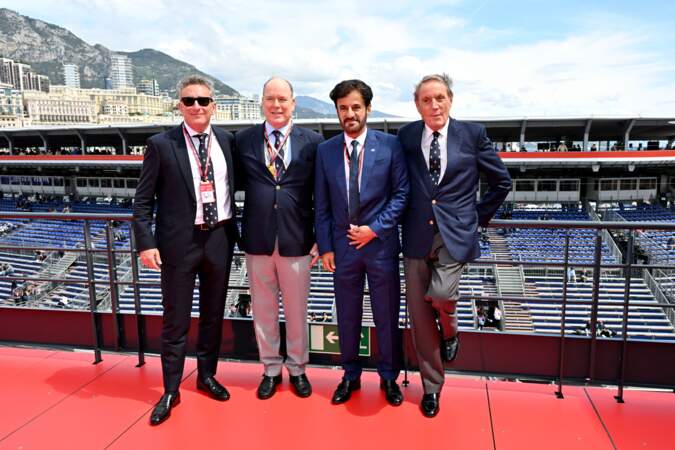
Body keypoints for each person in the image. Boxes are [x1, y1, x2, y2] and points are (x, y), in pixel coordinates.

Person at [398, 73, 511, 417]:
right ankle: (432, 388)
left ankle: (451, 331)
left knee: (444, 295)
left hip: (454, 234)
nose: (434, 105)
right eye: (426, 100)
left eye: (440, 98)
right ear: (417, 105)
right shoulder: (405, 136)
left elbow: (501, 182)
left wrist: (476, 218)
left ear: (451, 99)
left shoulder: (473, 134)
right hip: (416, 234)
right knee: (419, 316)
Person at [133, 75, 237, 426]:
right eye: (189, 100)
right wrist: (146, 243)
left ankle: (206, 375)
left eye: (203, 101)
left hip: (220, 238)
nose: (196, 106)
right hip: (179, 244)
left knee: (212, 315)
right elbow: (143, 201)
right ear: (179, 104)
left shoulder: (226, 141)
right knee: (175, 319)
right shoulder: (161, 145)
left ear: (213, 105)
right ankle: (170, 389)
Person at [315, 79, 409, 407]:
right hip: (342, 249)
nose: (350, 113)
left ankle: (388, 377)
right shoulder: (325, 151)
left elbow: (401, 195)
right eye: (343, 108)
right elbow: (322, 204)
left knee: (386, 314)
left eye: (356, 106)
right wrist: (325, 246)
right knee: (347, 315)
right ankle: (350, 375)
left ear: (368, 108)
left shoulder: (390, 146)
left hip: (380, 246)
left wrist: (375, 229)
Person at [235, 77, 323, 400]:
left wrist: (320, 237)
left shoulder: (312, 142)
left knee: (298, 311)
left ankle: (298, 368)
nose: (276, 105)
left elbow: (322, 193)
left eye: (282, 99)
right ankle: (270, 368)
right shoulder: (243, 140)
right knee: (263, 310)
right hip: (257, 239)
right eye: (270, 98)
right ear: (261, 101)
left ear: (293, 103)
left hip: (297, 239)